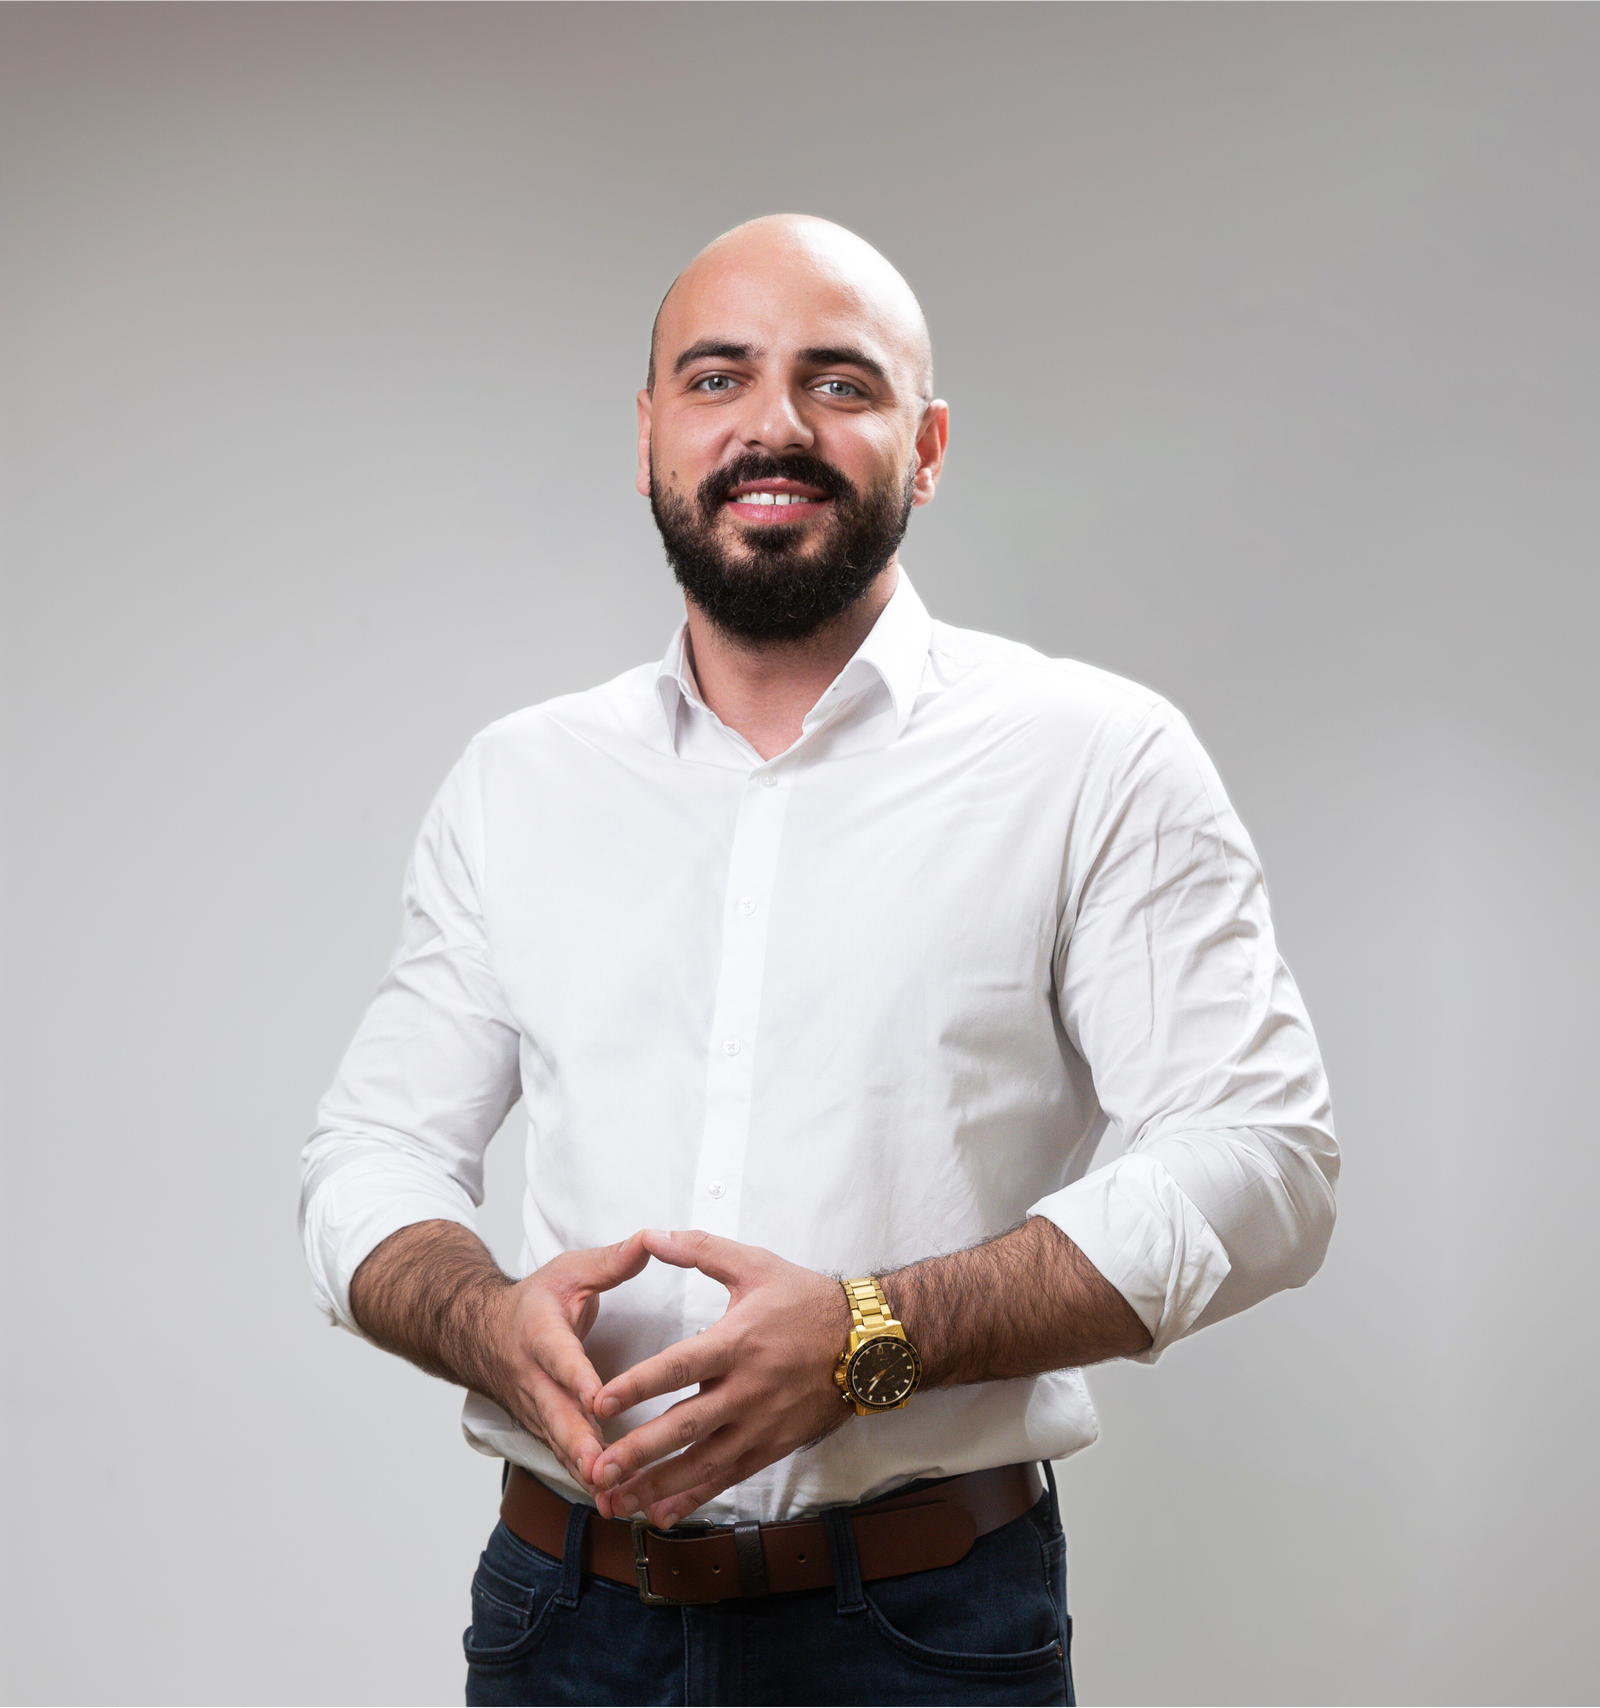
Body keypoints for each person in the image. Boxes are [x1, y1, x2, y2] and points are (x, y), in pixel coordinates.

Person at [299, 214, 1337, 1707]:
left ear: (927, 448)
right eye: (717, 378)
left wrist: (871, 1336)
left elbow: (1267, 1160)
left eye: (838, 383)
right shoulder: (517, 780)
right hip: (558, 1627)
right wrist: (481, 1321)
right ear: (649, 434)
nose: (773, 425)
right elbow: (368, 1153)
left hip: (920, 1637)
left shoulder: (1095, 759)